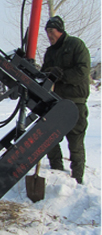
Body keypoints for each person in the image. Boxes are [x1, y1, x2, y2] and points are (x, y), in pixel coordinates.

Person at [41, 16, 91, 184]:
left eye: (51, 31)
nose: (49, 35)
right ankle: (56, 172)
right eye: (47, 32)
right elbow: (44, 73)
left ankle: (77, 180)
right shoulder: (50, 52)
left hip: (76, 101)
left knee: (75, 141)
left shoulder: (76, 45)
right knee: (50, 137)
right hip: (58, 102)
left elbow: (82, 71)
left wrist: (61, 74)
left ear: (60, 30)